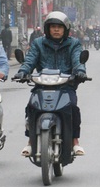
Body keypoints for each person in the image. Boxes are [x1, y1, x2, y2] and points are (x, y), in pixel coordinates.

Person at [12, 11, 87, 157]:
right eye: (53, 27)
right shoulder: (38, 43)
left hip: (66, 86)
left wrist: (80, 71)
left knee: (72, 108)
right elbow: (30, 60)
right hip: (42, 85)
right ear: (47, 29)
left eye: (59, 27)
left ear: (66, 29)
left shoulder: (74, 44)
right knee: (31, 107)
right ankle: (30, 142)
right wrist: (23, 71)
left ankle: (75, 141)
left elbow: (78, 60)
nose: (56, 30)